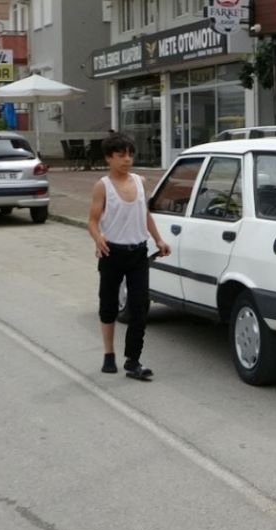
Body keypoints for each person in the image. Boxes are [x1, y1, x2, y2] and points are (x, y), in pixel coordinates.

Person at [87, 132, 171, 380]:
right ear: (108, 158)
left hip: (138, 253)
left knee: (140, 306)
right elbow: (91, 221)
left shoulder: (139, 181)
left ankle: (133, 360)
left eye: (130, 154)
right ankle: (109, 354)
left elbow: (144, 214)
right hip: (112, 252)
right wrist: (98, 237)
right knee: (109, 305)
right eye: (120, 155)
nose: (127, 159)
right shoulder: (102, 186)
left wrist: (158, 239)